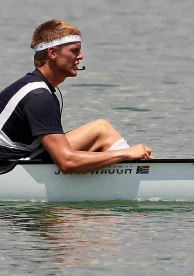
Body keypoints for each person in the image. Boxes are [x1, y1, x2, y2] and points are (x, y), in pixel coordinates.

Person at [0, 19, 152, 173]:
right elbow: (66, 163)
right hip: (7, 170)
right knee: (102, 130)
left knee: (101, 129)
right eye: (74, 50)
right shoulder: (39, 97)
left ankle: (135, 171)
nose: (81, 56)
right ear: (52, 53)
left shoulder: (32, 86)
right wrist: (126, 153)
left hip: (16, 161)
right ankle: (140, 173)